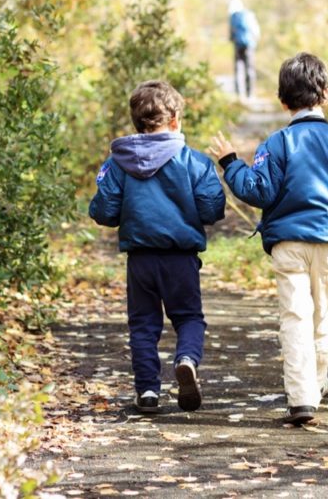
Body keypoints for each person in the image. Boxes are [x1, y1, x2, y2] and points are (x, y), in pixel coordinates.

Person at [208, 53, 328, 425]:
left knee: (295, 316)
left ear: (282, 101)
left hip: (289, 244)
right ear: (326, 94)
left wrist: (231, 162)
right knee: (322, 314)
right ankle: (318, 381)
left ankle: (302, 396)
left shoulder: (277, 144)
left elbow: (257, 191)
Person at [89, 81, 226, 414]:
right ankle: (187, 359)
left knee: (143, 325)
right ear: (175, 118)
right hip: (181, 258)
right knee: (189, 317)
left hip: (140, 260)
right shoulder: (195, 162)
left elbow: (104, 212)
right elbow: (211, 210)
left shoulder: (119, 162)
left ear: (137, 121)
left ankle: (148, 390)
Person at [228, 0, 260, 99]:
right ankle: (250, 94)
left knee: (238, 69)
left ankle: (238, 94)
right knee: (249, 69)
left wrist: (232, 39)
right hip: (249, 45)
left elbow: (231, 33)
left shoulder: (233, 16)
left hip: (238, 45)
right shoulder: (249, 15)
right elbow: (255, 31)